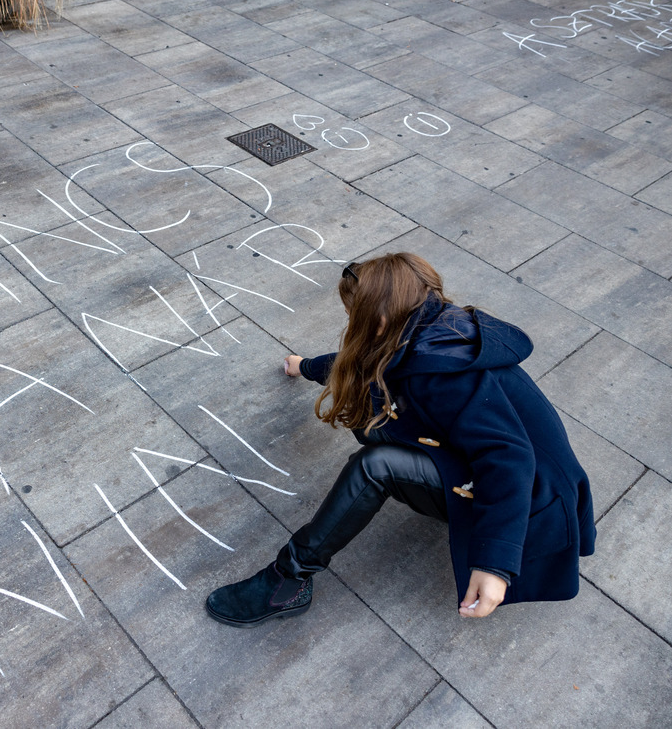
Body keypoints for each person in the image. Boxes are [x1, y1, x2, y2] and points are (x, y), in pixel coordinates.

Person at [205, 252, 596, 627]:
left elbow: (509, 458)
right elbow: (366, 361)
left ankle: (287, 580)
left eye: (354, 314)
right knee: (380, 421)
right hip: (507, 474)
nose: (350, 320)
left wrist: (495, 563)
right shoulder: (430, 327)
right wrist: (304, 366)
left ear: (379, 317)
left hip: (531, 503)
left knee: (375, 467)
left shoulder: (445, 374)